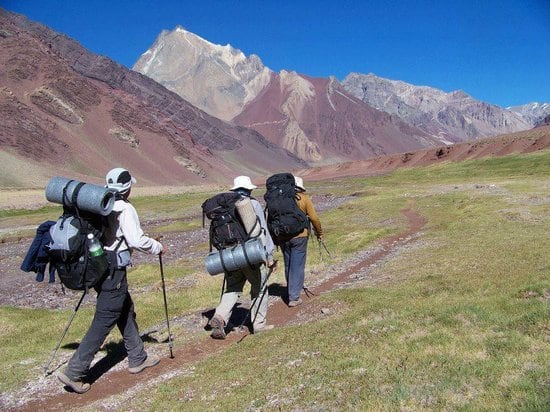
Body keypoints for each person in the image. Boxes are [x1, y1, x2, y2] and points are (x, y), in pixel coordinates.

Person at [57, 168, 164, 394]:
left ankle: (138, 357)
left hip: (98, 265)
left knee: (124, 308)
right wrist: (157, 247)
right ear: (127, 188)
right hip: (114, 268)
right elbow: (135, 239)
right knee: (105, 318)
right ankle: (74, 371)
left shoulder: (98, 203)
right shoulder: (124, 207)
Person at [209, 176, 276, 339]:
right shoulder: (251, 204)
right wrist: (269, 255)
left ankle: (220, 317)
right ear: (249, 189)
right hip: (250, 255)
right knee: (259, 287)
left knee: (232, 288)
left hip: (229, 257)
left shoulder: (223, 207)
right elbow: (262, 231)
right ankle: (259, 325)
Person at [281, 176, 323, 307]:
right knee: (297, 265)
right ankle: (294, 297)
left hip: (283, 237)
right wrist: (319, 232)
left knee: (288, 264)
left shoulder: (281, 198)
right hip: (300, 236)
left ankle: (291, 289)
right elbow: (314, 218)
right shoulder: (303, 198)